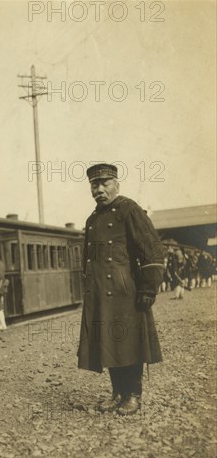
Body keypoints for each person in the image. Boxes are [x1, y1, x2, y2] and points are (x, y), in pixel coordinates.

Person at [77, 163, 165, 416]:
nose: (100, 189)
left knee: (129, 343)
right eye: (95, 185)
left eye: (105, 184)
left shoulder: (129, 210)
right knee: (109, 343)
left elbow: (152, 248)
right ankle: (117, 393)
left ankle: (133, 395)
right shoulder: (93, 219)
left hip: (125, 291)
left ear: (117, 184)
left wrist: (148, 288)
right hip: (100, 292)